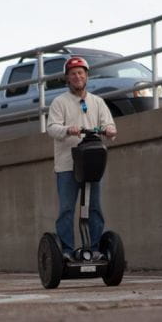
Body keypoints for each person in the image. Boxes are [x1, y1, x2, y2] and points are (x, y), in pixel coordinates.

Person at [47, 56, 118, 256]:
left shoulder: (98, 102)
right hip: (67, 166)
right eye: (73, 74)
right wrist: (68, 130)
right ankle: (67, 252)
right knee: (67, 210)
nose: (77, 77)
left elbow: (109, 124)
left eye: (80, 73)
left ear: (86, 76)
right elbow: (52, 128)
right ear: (67, 79)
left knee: (95, 209)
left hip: (92, 165)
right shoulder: (60, 102)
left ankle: (94, 250)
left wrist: (110, 130)